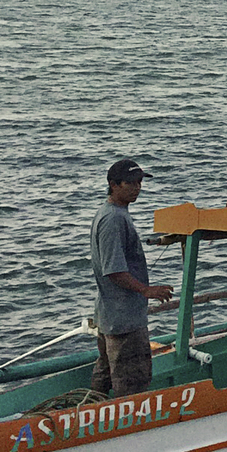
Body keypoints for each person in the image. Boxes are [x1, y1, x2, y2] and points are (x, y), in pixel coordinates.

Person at [88, 159, 171, 400]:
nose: (137, 187)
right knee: (132, 383)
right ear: (114, 185)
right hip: (124, 321)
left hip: (109, 316)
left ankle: (95, 418)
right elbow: (113, 270)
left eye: (140, 182)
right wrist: (146, 290)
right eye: (131, 183)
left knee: (103, 377)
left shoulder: (112, 214)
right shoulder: (113, 219)